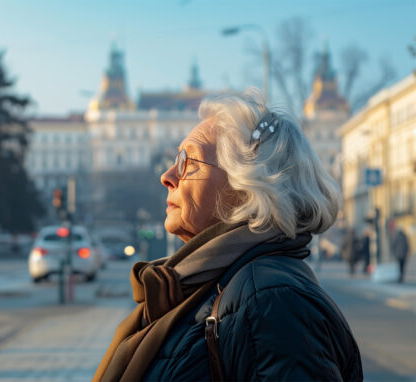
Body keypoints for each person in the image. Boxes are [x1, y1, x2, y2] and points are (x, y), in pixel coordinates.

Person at [93, 89, 363, 382]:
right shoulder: (209, 285)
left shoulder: (273, 303)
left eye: (189, 162)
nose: (168, 176)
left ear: (247, 186)